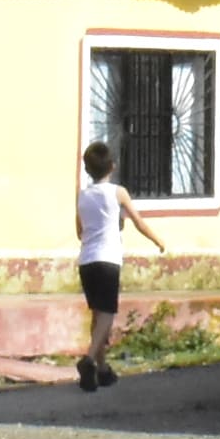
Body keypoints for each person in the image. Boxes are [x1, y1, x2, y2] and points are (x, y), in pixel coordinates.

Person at [74, 136, 165, 391]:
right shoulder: (118, 192)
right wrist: (158, 240)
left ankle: (101, 371)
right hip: (108, 259)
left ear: (87, 169)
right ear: (111, 166)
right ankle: (89, 359)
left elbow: (80, 231)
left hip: (87, 260)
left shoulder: (82, 196)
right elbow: (138, 221)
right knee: (107, 314)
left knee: (97, 312)